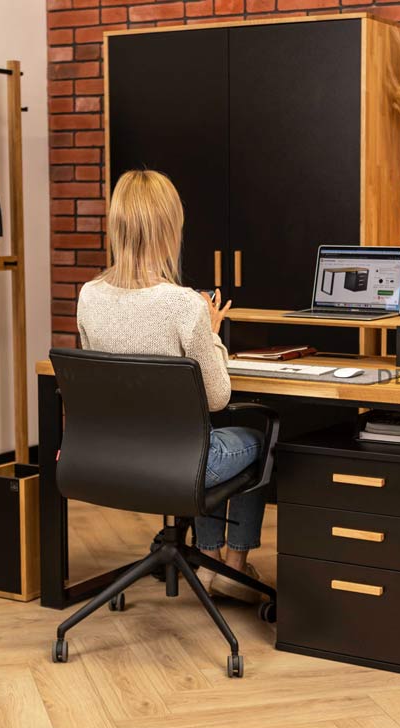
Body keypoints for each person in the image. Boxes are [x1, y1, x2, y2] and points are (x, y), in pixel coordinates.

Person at [76, 169, 267, 603]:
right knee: (257, 439)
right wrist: (212, 330)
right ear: (169, 231)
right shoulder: (183, 304)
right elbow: (218, 397)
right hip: (177, 464)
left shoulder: (89, 296)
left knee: (202, 437)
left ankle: (207, 550)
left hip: (113, 458)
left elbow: (101, 376)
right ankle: (233, 568)